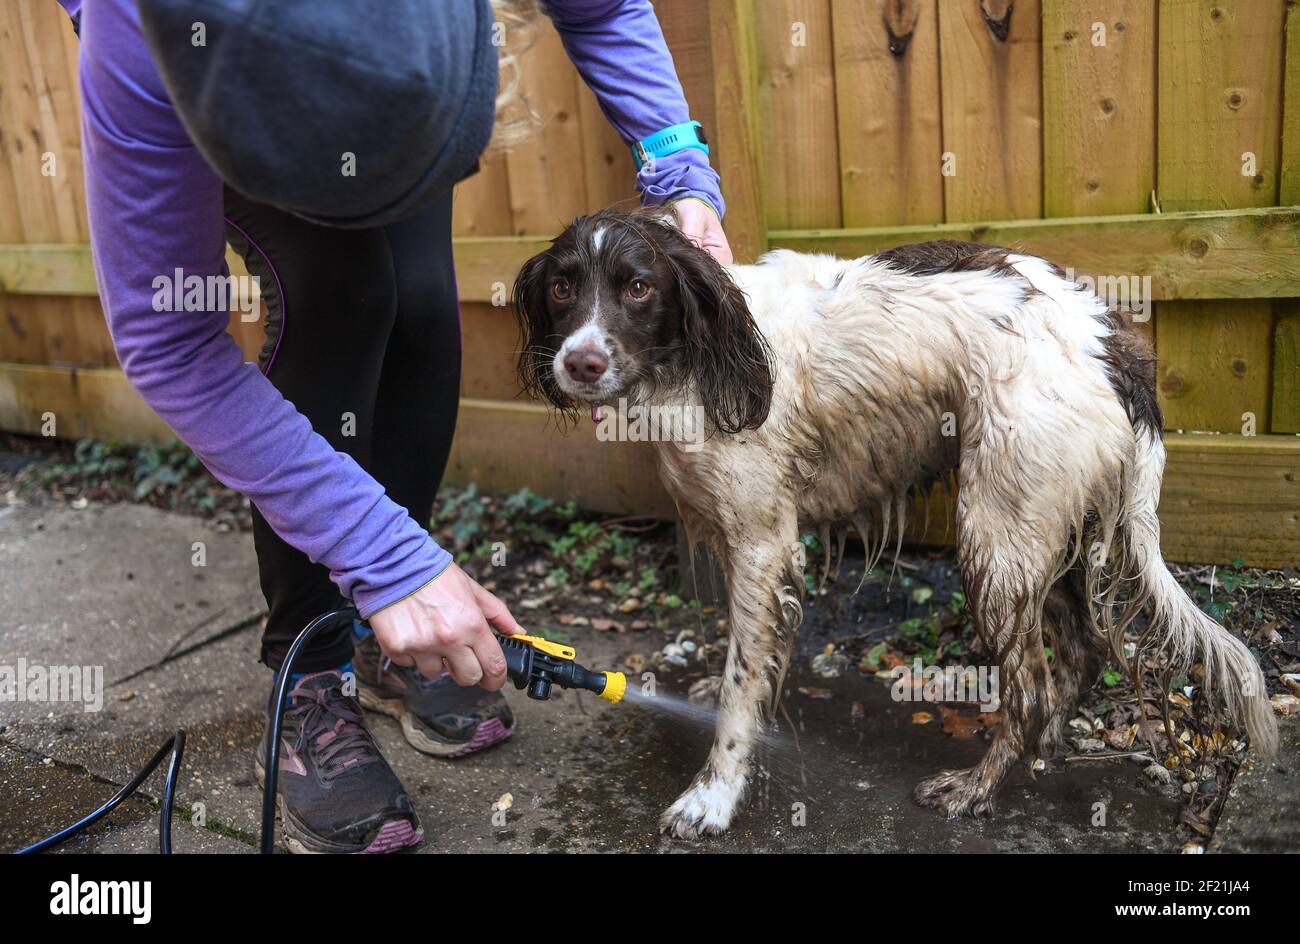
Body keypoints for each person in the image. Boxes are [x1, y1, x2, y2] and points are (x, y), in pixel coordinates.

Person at [59, 0, 732, 853]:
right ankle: (309, 671)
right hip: (217, 69)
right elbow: (168, 341)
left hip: (384, 68)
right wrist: (385, 558)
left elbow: (602, 8)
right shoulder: (139, 36)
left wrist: (679, 165)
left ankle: (392, 642)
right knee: (340, 293)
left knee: (418, 304)